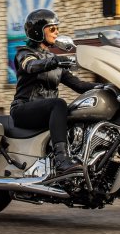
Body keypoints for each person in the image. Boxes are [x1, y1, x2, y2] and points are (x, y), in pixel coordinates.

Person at [10, 9, 94, 179]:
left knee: (77, 111)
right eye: (52, 29)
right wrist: (56, 60)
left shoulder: (52, 60)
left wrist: (109, 86)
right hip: (23, 109)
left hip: (44, 111)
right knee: (58, 104)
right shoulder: (24, 54)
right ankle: (61, 159)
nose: (57, 33)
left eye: (57, 28)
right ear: (38, 31)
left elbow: (79, 85)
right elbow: (31, 66)